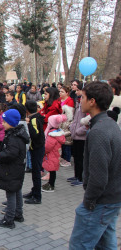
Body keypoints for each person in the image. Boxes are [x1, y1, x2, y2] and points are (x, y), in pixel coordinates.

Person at [69, 81, 121, 249]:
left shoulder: (99, 131)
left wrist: (89, 202)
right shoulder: (110, 124)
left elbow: (98, 176)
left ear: (92, 101)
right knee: (106, 242)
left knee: (80, 245)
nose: (79, 100)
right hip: (111, 198)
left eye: (82, 97)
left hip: (101, 202)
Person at [0, 109, 29, 229]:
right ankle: (18, 214)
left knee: (11, 193)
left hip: (11, 169)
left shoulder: (14, 137)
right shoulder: (16, 134)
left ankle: (9, 219)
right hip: (16, 169)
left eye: (4, 121)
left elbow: (11, 153)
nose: (2, 123)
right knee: (17, 190)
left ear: (11, 123)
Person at [24, 101, 45, 204]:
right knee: (34, 172)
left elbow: (35, 134)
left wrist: (28, 124)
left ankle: (37, 196)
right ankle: (34, 191)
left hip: (37, 148)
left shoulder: (34, 119)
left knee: (36, 172)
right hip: (36, 148)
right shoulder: (36, 117)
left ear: (27, 110)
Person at [68, 83, 88, 186]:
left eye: (78, 90)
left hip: (81, 136)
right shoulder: (78, 102)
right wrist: (72, 127)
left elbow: (88, 121)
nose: (76, 92)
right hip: (75, 134)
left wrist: (78, 130)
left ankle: (81, 178)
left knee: (80, 158)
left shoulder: (86, 104)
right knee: (76, 157)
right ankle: (76, 175)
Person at [41, 115, 67, 192]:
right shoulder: (59, 133)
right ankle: (50, 183)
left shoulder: (52, 135)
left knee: (52, 170)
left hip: (51, 154)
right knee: (53, 170)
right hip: (56, 154)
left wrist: (43, 151)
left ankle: (51, 185)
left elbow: (48, 146)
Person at [59, 86, 75, 168]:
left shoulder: (70, 101)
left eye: (62, 92)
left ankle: (67, 159)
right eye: (60, 91)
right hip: (60, 122)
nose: (60, 93)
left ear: (67, 93)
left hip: (66, 123)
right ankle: (62, 158)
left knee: (67, 144)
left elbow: (70, 114)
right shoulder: (59, 100)